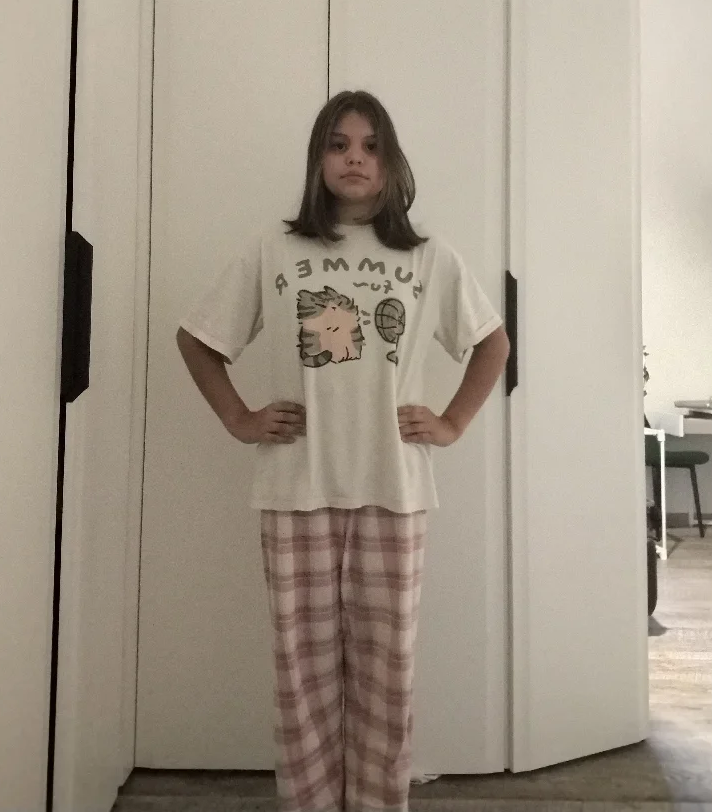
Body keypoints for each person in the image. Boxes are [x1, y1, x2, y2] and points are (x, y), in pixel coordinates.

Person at [176, 89, 510, 812]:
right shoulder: (274, 247)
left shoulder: (427, 256)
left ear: (391, 162)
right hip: (296, 487)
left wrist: (452, 422)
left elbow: (492, 343)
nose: (355, 159)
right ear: (318, 159)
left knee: (387, 674)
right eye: (338, 144)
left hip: (395, 489)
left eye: (370, 146)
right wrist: (239, 417)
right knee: (303, 674)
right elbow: (198, 339)